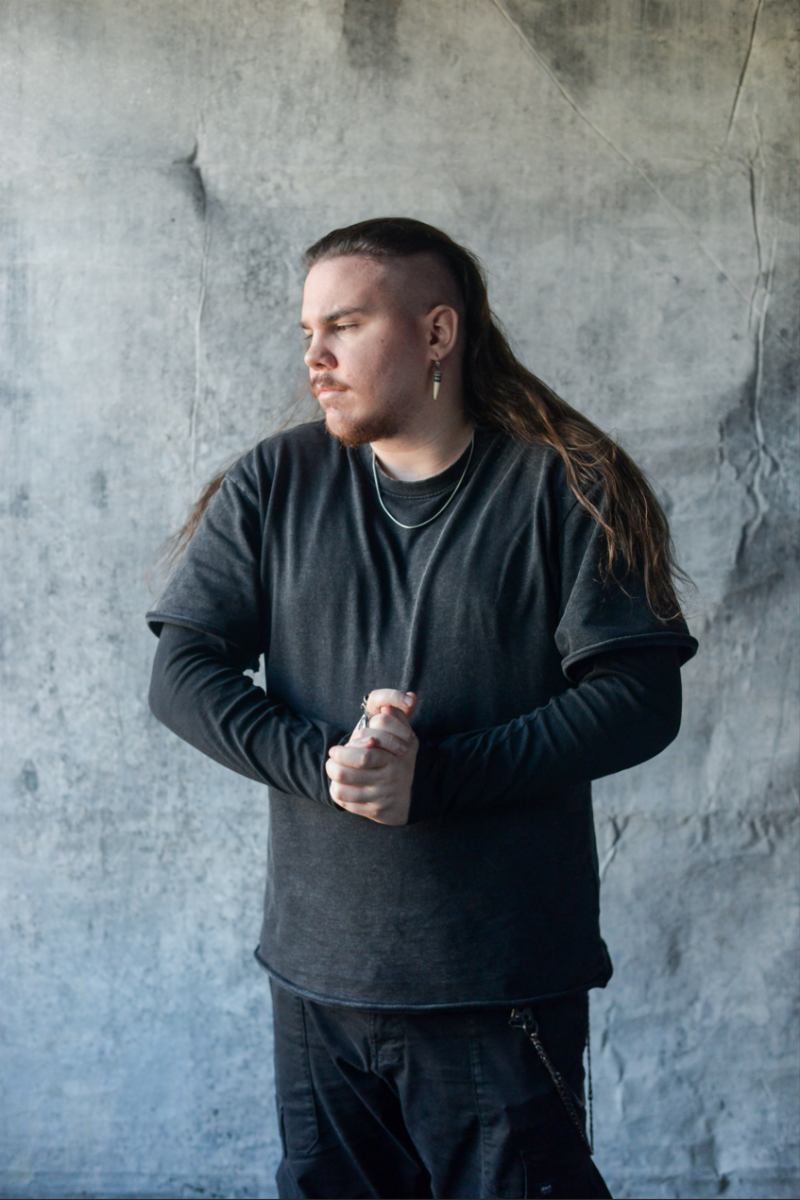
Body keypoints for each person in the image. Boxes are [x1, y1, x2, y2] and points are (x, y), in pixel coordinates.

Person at [147, 217, 697, 1200]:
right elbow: (181, 671)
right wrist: (330, 764)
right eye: (308, 330)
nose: (314, 357)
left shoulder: (569, 483)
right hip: (316, 982)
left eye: (345, 325)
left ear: (437, 333)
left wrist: (432, 779)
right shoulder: (275, 480)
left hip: (498, 985)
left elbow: (639, 698)